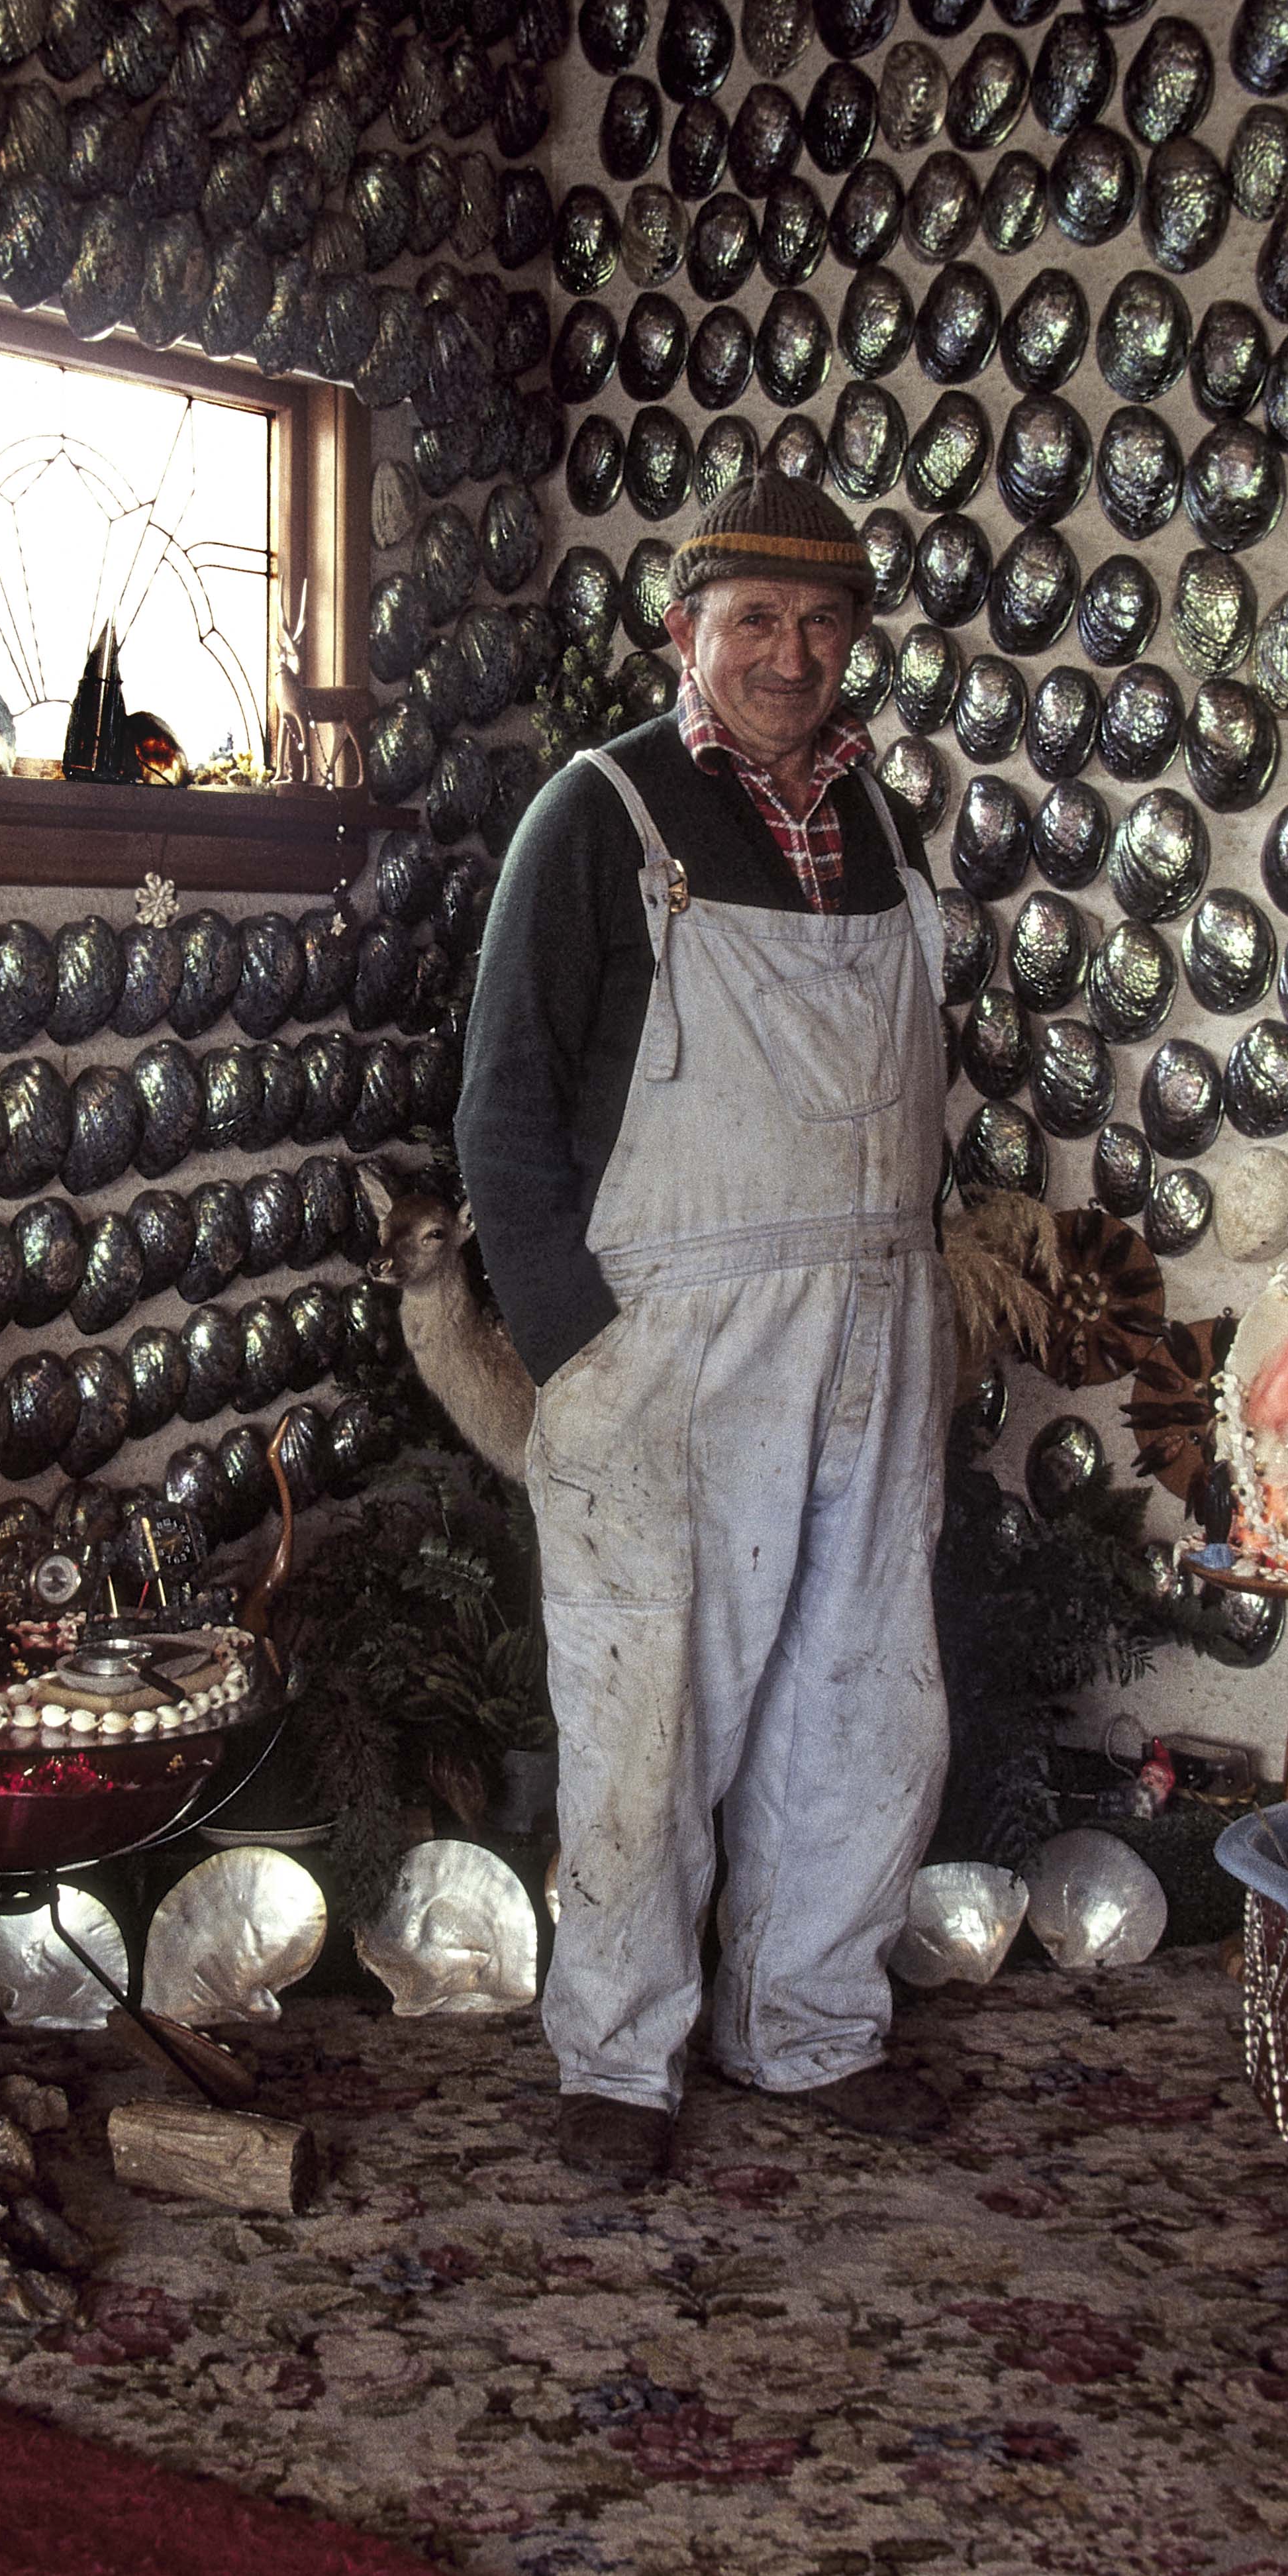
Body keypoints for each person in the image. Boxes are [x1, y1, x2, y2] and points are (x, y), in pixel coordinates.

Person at [458, 468, 956, 2191]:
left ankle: (810, 2024)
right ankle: (620, 2059)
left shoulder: (882, 829)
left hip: (876, 1325)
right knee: (645, 1702)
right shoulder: (601, 816)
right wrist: (577, 1345)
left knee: (863, 1692)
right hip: (667, 1345)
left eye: (822, 624)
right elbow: (504, 1108)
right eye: (755, 618)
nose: (790, 652)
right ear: (688, 630)